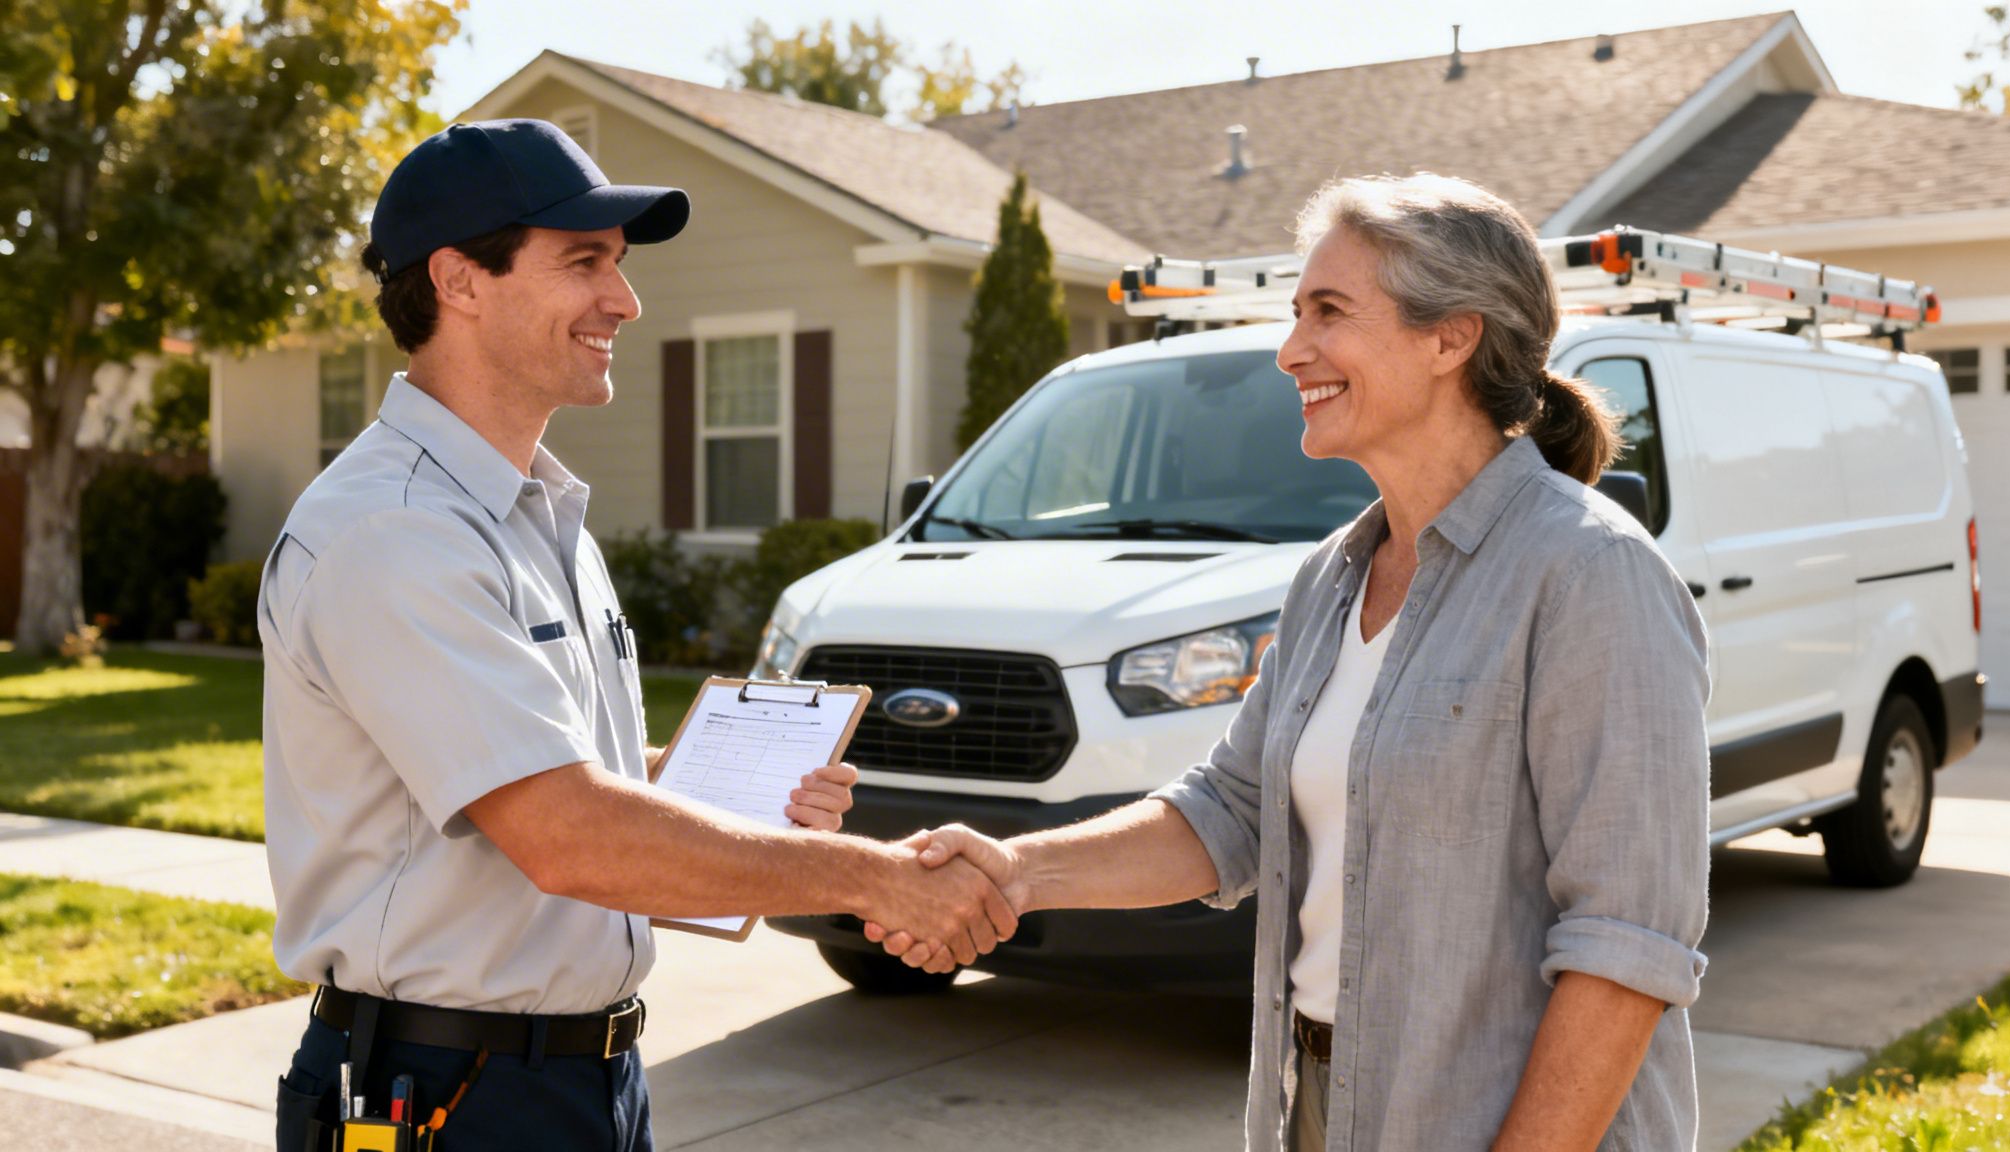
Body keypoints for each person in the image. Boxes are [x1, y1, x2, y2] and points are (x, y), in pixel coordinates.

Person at [869, 173, 1712, 1151]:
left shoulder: (1589, 574)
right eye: (1294, 313)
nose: (1290, 350)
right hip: (1315, 1100)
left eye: (1328, 312)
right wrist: (1016, 870)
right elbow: (1228, 813)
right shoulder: (1333, 576)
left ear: (1451, 337)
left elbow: (1627, 949)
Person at [261, 119, 1015, 1152]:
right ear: (459, 280)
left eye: (616, 266)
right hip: (443, 1094)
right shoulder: (394, 533)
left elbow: (558, 779)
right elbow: (566, 832)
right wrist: (866, 876)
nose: (624, 301)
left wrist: (729, 802)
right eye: (583, 263)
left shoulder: (536, 516)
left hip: (579, 1078)